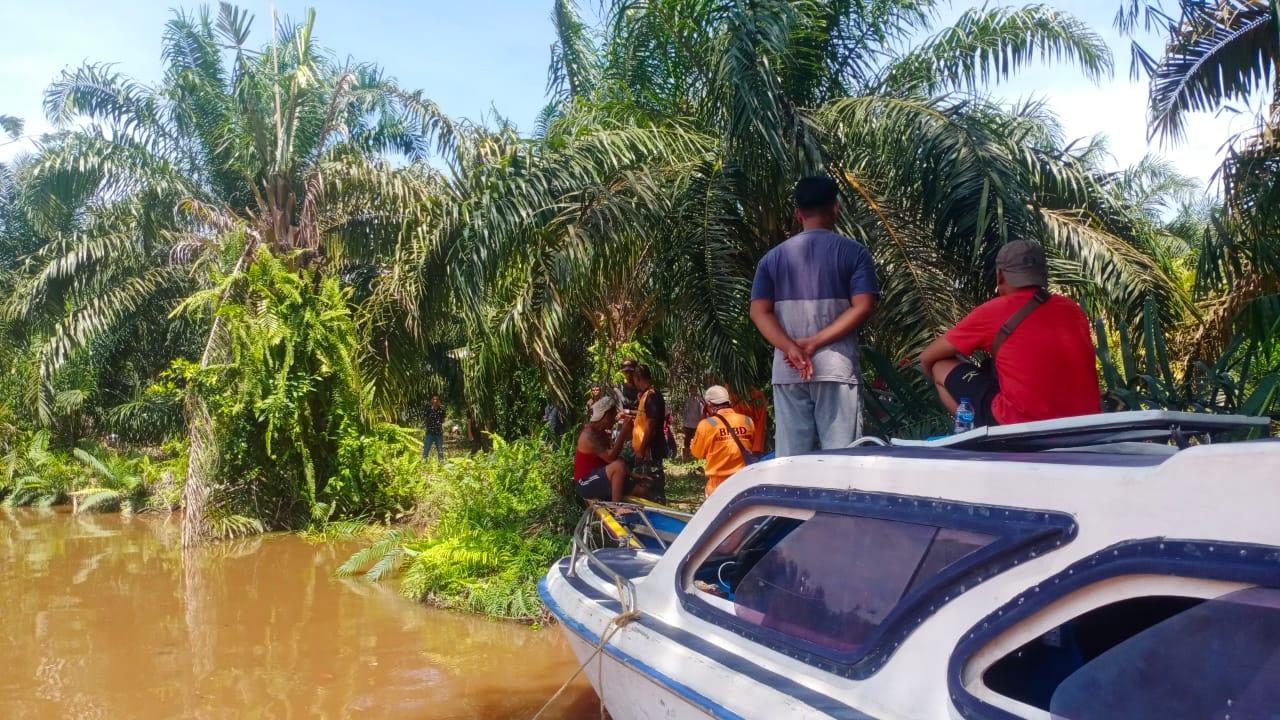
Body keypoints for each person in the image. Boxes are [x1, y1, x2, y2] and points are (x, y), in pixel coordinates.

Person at [749, 175, 879, 456]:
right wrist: (814, 343)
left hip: (788, 369)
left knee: (792, 460)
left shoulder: (771, 259)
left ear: (798, 213)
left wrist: (791, 348)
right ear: (835, 208)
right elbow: (864, 305)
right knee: (842, 459)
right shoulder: (854, 254)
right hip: (836, 368)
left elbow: (759, 312)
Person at [919, 240, 1101, 427]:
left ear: (1000, 276)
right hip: (1084, 423)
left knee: (940, 365)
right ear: (1042, 275)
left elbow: (927, 357)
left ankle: (970, 431)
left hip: (1018, 424)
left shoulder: (993, 311)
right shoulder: (1073, 310)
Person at [691, 385, 756, 497]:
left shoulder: (706, 425)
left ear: (709, 404)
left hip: (718, 486)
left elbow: (697, 453)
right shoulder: (747, 420)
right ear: (728, 400)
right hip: (744, 481)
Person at [573, 396, 636, 502]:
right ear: (606, 416)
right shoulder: (590, 435)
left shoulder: (601, 432)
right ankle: (616, 508)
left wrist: (633, 475)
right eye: (613, 416)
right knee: (619, 466)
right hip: (584, 482)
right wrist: (623, 432)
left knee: (641, 488)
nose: (615, 420)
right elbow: (611, 458)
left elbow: (614, 457)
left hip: (599, 478)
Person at [629, 364, 667, 502]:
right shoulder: (645, 396)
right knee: (644, 488)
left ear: (638, 378)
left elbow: (651, 425)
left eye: (634, 380)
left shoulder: (651, 396)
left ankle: (659, 513)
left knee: (652, 487)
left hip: (649, 452)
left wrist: (642, 449)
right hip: (644, 451)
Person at [421, 395, 446, 462]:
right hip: (429, 432)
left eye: (437, 399)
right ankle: (423, 462)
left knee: (440, 450)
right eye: (434, 399)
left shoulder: (442, 409)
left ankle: (441, 464)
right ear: (431, 400)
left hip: (438, 432)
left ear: (439, 401)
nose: (435, 401)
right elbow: (425, 419)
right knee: (426, 449)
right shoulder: (428, 409)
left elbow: (443, 420)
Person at [681, 393, 703, 458]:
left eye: (694, 389)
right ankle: (687, 454)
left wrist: (701, 422)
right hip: (688, 423)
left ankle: (697, 454)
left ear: (696, 390)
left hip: (696, 423)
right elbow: (685, 412)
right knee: (687, 439)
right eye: (691, 389)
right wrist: (684, 423)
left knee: (696, 439)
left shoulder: (699, 400)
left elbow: (702, 412)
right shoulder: (687, 400)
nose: (692, 391)